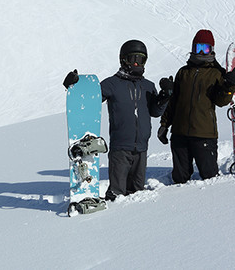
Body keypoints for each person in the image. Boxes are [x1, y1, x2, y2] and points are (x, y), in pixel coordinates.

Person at [64, 40, 172, 201]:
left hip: (141, 148)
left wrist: (164, 97)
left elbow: (155, 112)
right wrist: (74, 87)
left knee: (138, 193)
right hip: (120, 149)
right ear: (123, 60)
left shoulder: (148, 86)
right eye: (132, 59)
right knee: (117, 193)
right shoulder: (112, 84)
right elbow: (89, 100)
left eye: (141, 59)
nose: (136, 63)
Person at [157, 29, 235, 183]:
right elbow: (173, 102)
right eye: (198, 48)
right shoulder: (183, 73)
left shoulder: (216, 73)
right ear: (193, 48)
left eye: (205, 48)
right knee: (179, 178)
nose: (201, 52)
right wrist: (164, 125)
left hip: (204, 135)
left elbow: (221, 102)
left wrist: (229, 86)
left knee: (209, 177)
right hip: (180, 134)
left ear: (212, 50)